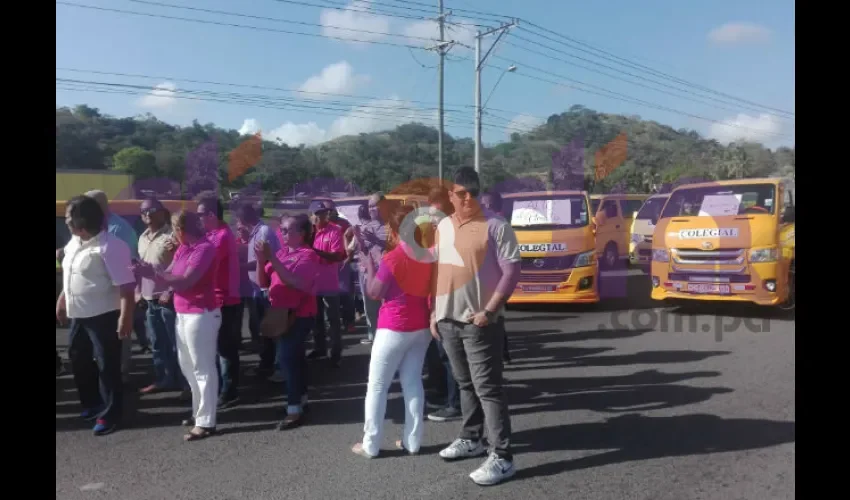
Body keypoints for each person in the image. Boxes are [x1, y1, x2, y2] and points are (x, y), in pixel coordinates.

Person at [431, 167, 522, 485]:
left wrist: (489, 310)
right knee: (465, 383)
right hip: (448, 320)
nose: (457, 198)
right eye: (455, 194)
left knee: (488, 389)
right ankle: (471, 439)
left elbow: (511, 271)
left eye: (461, 193)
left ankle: (502, 456)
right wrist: (435, 312)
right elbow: (440, 270)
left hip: (479, 321)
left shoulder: (496, 227)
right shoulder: (443, 226)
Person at [351, 205, 434, 458]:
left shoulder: (394, 257)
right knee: (412, 382)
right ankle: (412, 442)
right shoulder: (429, 255)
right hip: (420, 326)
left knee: (377, 386)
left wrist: (368, 265)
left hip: (393, 327)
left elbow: (375, 293)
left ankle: (371, 445)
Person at [136, 211, 221, 441]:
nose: (174, 235)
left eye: (175, 230)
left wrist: (152, 274)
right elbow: (171, 273)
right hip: (184, 312)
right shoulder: (184, 248)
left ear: (181, 229)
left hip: (201, 312)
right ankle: (198, 412)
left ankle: (206, 421)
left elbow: (187, 280)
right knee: (188, 366)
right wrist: (153, 272)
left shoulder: (205, 248)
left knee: (202, 368)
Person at [57, 195, 136, 436]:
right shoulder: (74, 242)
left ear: (82, 221)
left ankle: (110, 414)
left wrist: (125, 317)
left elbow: (126, 287)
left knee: (107, 365)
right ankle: (92, 404)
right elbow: (70, 275)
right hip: (78, 314)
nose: (66, 222)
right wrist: (61, 300)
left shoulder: (111, 247)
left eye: (69, 218)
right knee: (78, 358)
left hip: (104, 315)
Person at [255, 214, 320, 430]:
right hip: (280, 312)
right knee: (295, 359)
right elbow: (262, 281)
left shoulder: (308, 255)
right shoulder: (282, 253)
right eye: (281, 230)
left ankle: (293, 410)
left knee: (286, 359)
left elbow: (295, 282)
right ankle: (301, 401)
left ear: (301, 234)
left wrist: (271, 258)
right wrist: (260, 259)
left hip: (299, 314)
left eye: (287, 230)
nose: (282, 233)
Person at [82, 190, 150, 379]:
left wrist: (131, 299)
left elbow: (130, 264)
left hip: (118, 294)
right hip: (100, 297)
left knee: (120, 338)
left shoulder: (118, 229)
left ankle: (120, 377)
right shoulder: (93, 227)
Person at [195, 192, 243, 409]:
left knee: (225, 348)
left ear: (212, 215)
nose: (198, 219)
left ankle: (229, 391)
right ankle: (222, 388)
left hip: (225, 299)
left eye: (200, 214)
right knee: (216, 347)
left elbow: (203, 261)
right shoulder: (210, 234)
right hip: (213, 298)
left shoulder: (222, 235)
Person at [136, 198, 184, 394]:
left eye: (152, 210)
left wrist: (169, 290)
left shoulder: (172, 236)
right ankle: (164, 379)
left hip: (168, 300)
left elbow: (182, 266)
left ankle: (184, 384)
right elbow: (141, 269)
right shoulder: (142, 237)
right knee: (157, 344)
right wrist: (138, 292)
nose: (147, 214)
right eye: (143, 211)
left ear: (162, 213)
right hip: (149, 300)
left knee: (176, 344)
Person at [424, 186, 461, 423]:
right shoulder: (440, 232)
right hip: (437, 301)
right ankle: (446, 395)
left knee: (450, 357)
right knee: (441, 355)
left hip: (448, 303)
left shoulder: (451, 234)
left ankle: (455, 404)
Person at [234, 202, 282, 381]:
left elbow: (263, 260)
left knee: (273, 330)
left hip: (267, 287)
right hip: (258, 288)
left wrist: (239, 267)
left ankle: (278, 366)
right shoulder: (256, 233)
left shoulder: (263, 232)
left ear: (242, 219)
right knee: (265, 330)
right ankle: (267, 363)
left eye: (238, 221)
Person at [307, 200, 346, 367]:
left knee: (333, 320)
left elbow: (337, 256)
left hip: (329, 283)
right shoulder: (309, 233)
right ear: (311, 217)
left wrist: (315, 252)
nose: (321, 216)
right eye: (317, 214)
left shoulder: (335, 231)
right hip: (313, 284)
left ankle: (336, 352)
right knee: (316, 319)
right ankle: (320, 348)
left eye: (323, 213)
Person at [479, 191, 512, 364]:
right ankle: (502, 353)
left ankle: (500, 354)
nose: (484, 206)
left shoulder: (498, 223)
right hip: (486, 283)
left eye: (487, 203)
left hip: (497, 283)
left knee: (496, 319)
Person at [357, 193, 389, 345]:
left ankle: (385, 337)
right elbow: (362, 250)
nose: (371, 209)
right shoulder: (367, 226)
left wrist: (376, 240)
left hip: (385, 275)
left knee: (385, 307)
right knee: (369, 307)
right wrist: (358, 238)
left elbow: (395, 248)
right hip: (367, 273)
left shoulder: (391, 226)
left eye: (374, 205)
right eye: (369, 206)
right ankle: (373, 335)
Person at [324, 200, 356, 334]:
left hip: (343, 264)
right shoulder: (322, 226)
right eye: (326, 210)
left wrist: (348, 259)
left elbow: (353, 241)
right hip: (328, 266)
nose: (329, 212)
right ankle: (333, 322)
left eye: (330, 209)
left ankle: (349, 322)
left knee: (345, 295)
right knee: (329, 297)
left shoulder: (344, 224)